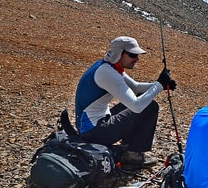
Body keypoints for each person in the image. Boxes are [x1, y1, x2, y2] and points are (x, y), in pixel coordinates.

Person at [75, 36, 176, 167]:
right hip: (93, 132)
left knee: (141, 98)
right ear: (119, 53)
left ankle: (128, 147)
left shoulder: (108, 67)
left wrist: (161, 85)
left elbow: (135, 87)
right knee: (149, 107)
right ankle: (133, 155)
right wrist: (159, 84)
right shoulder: (107, 73)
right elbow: (137, 107)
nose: (137, 59)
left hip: (93, 126)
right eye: (133, 55)